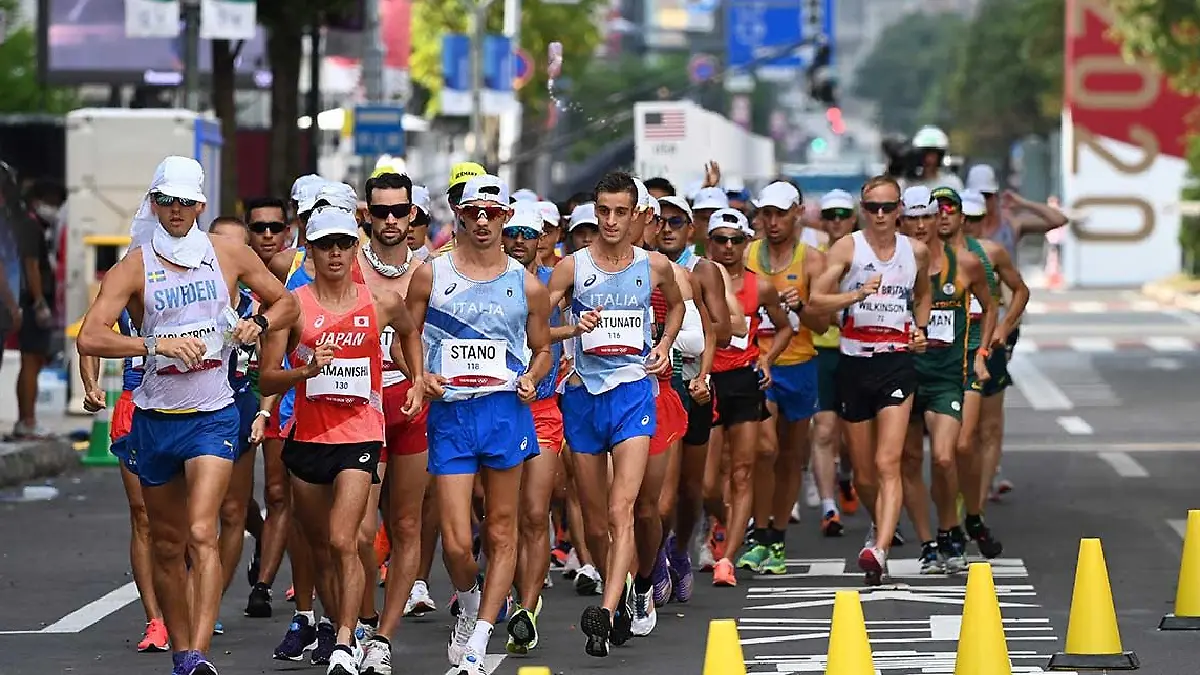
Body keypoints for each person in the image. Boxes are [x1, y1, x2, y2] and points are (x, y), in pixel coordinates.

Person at [75, 156, 298, 675]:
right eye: (166, 201)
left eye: (185, 202)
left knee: (203, 530)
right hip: (156, 415)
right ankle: (181, 651)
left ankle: (198, 655)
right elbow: (91, 335)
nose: (176, 211)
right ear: (155, 203)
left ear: (201, 204)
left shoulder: (228, 253)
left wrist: (256, 323)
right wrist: (156, 344)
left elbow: (287, 304)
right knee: (169, 542)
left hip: (214, 413)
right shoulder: (134, 265)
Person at [259, 206, 424, 675]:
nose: (335, 252)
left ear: (356, 246)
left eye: (343, 243)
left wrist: (416, 379)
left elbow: (410, 336)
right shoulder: (293, 306)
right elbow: (267, 380)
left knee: (344, 537)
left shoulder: (382, 301)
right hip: (308, 437)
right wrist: (306, 370)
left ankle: (347, 642)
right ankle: (341, 625)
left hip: (362, 434)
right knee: (320, 548)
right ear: (309, 251)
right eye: (324, 244)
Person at [406, 174, 552, 673]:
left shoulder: (527, 284)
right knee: (456, 542)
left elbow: (543, 350)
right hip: (451, 413)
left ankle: (481, 638)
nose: (483, 221)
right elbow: (406, 333)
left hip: (504, 412)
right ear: (460, 216)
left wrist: (533, 376)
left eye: (492, 213)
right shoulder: (431, 274)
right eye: (474, 213)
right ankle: (468, 603)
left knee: (503, 529)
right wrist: (420, 375)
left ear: (507, 217)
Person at [548, 171, 683, 657]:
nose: (610, 220)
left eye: (620, 212)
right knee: (596, 519)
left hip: (632, 394)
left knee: (621, 508)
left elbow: (678, 306)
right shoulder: (571, 268)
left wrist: (665, 344)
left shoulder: (654, 265)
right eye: (603, 211)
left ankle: (604, 613)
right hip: (584, 397)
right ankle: (620, 591)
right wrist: (571, 329)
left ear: (636, 215)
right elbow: (534, 327)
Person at [809, 175, 931, 586]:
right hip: (853, 362)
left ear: (900, 210)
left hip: (896, 363)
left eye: (888, 208)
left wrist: (920, 328)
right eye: (873, 208)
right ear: (865, 209)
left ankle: (878, 546)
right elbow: (816, 300)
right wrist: (855, 296)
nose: (880, 216)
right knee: (862, 473)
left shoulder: (915, 251)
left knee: (887, 462)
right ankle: (881, 522)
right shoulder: (848, 247)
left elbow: (924, 293)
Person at [357, 171, 432, 675]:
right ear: (367, 215)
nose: (389, 220)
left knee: (406, 524)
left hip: (412, 410)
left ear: (412, 216)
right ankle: (361, 619)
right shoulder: (342, 264)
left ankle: (382, 637)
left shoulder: (432, 272)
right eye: (379, 211)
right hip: (355, 413)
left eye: (397, 211)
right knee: (360, 534)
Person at [897, 186, 994, 574]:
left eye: (927, 217)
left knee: (943, 456)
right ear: (902, 221)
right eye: (913, 218)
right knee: (907, 459)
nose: (920, 226)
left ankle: (950, 527)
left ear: (939, 219)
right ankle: (927, 542)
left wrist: (983, 351)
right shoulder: (891, 266)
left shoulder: (966, 264)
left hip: (946, 377)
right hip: (901, 374)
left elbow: (991, 306)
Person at [739, 181, 833, 582]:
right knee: (764, 448)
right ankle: (759, 532)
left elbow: (824, 324)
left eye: (780, 213)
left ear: (798, 213)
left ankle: (776, 536)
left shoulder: (813, 261)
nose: (772, 222)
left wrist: (804, 307)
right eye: (766, 214)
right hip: (758, 364)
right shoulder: (746, 254)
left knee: (792, 455)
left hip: (801, 363)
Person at [78, 311, 169, 652]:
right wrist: (91, 385)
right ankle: (155, 619)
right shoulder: (128, 273)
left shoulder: (200, 267)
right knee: (143, 516)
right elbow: (89, 336)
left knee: (189, 521)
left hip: (187, 406)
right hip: (134, 405)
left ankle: (189, 602)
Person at [13, 179, 66, 438]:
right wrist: (39, 302)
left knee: (33, 360)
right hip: (33, 302)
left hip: (34, 301)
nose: (54, 209)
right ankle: (28, 420)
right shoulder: (30, 228)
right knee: (31, 360)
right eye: (52, 203)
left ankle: (27, 419)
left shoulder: (35, 227)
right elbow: (31, 266)